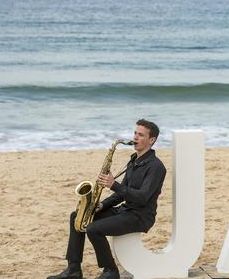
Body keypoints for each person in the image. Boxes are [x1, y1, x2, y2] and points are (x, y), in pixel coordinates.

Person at [47, 119, 167, 279]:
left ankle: (111, 271)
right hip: (125, 211)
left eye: (141, 135)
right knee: (77, 216)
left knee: (94, 229)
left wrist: (113, 184)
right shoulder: (134, 161)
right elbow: (120, 195)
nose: (135, 137)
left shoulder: (156, 167)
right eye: (135, 133)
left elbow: (143, 197)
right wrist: (102, 205)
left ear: (152, 140)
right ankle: (74, 269)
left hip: (140, 216)